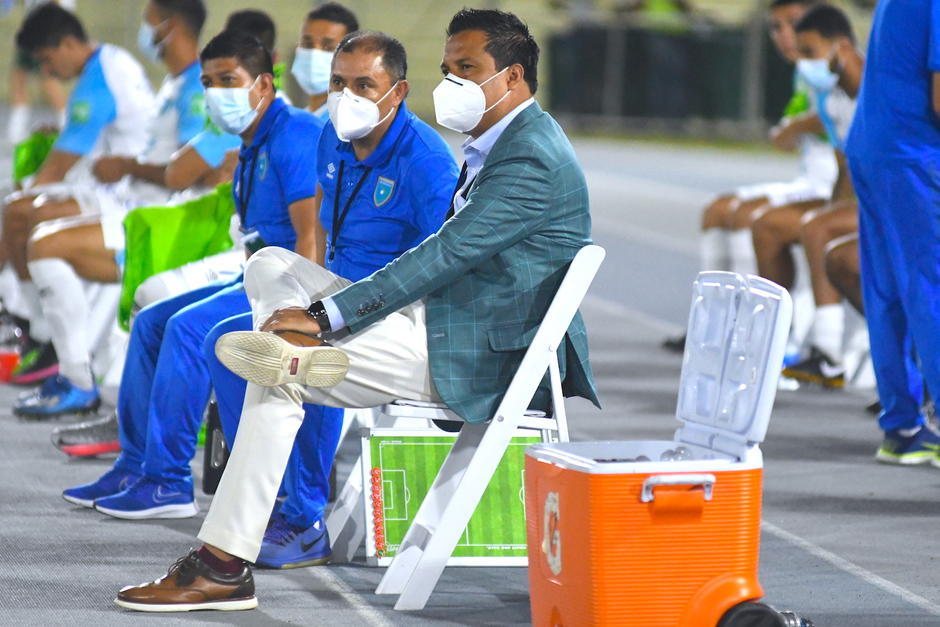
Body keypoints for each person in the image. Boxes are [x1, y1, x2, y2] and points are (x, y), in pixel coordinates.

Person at [114, 8, 597, 612]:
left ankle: (221, 564)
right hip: (444, 320)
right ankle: (294, 362)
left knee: (276, 372)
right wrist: (318, 314)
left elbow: (441, 256)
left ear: (515, 78)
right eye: (447, 69)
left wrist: (322, 318)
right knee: (268, 267)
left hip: (475, 351)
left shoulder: (528, 158)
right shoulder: (498, 142)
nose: (452, 84)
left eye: (468, 70)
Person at [202, 29, 458, 569]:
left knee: (303, 363)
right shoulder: (331, 138)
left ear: (399, 91)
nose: (347, 96)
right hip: (337, 293)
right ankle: (271, 494)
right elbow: (319, 227)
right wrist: (309, 307)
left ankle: (305, 515)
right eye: (339, 83)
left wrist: (327, 318)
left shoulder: (428, 162)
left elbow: (439, 269)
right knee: (262, 272)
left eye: (365, 85)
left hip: (395, 310)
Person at [61, 30, 324, 519]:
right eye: (208, 81)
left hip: (291, 284)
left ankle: (167, 481)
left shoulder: (295, 136)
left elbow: (311, 239)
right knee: (152, 321)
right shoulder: (252, 142)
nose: (216, 92)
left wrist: (300, 314)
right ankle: (138, 463)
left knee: (186, 329)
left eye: (229, 79)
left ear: (263, 85)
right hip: (255, 273)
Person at [14, 0, 241, 417]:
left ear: (170, 27)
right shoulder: (178, 83)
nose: (147, 34)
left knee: (43, 237)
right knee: (38, 228)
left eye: (150, 24)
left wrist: (126, 166)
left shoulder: (200, 90)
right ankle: (65, 358)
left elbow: (189, 175)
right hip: (140, 204)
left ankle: (73, 370)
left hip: (168, 220)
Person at [662, 0, 836, 352]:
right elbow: (786, 137)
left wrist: (798, 127)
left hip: (834, 186)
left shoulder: (835, 68)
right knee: (717, 209)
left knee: (748, 216)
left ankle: (753, 329)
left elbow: (828, 123)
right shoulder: (803, 73)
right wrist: (794, 128)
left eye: (793, 23)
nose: (785, 35)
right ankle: (712, 324)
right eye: (776, 27)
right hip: (809, 181)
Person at [0, 2, 155, 384]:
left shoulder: (98, 81)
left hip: (126, 194)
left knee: (22, 212)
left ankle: (38, 333)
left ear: (68, 43)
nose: (48, 72)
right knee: (18, 203)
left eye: (47, 60)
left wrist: (23, 196)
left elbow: (57, 167)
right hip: (110, 185)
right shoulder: (107, 63)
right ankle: (34, 328)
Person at [843, 0, 940, 464]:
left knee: (889, 291)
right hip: (912, 151)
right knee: (930, 288)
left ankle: (902, 427)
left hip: (875, 144)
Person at [748, 4, 861, 388]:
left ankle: (830, 350)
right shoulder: (832, 99)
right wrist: (837, 208)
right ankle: (784, 343)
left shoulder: (873, 91)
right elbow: (846, 166)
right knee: (769, 224)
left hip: (904, 202)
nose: (805, 62)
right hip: (863, 199)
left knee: (819, 230)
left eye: (811, 53)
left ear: (841, 46)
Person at [6, 0, 72, 143]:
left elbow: (55, 8)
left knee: (48, 81)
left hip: (46, 33)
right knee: (18, 78)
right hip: (33, 30)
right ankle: (16, 128)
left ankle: (67, 125)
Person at [291, 2, 359, 116]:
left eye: (328, 48)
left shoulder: (348, 123)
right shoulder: (298, 120)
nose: (314, 54)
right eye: (308, 44)